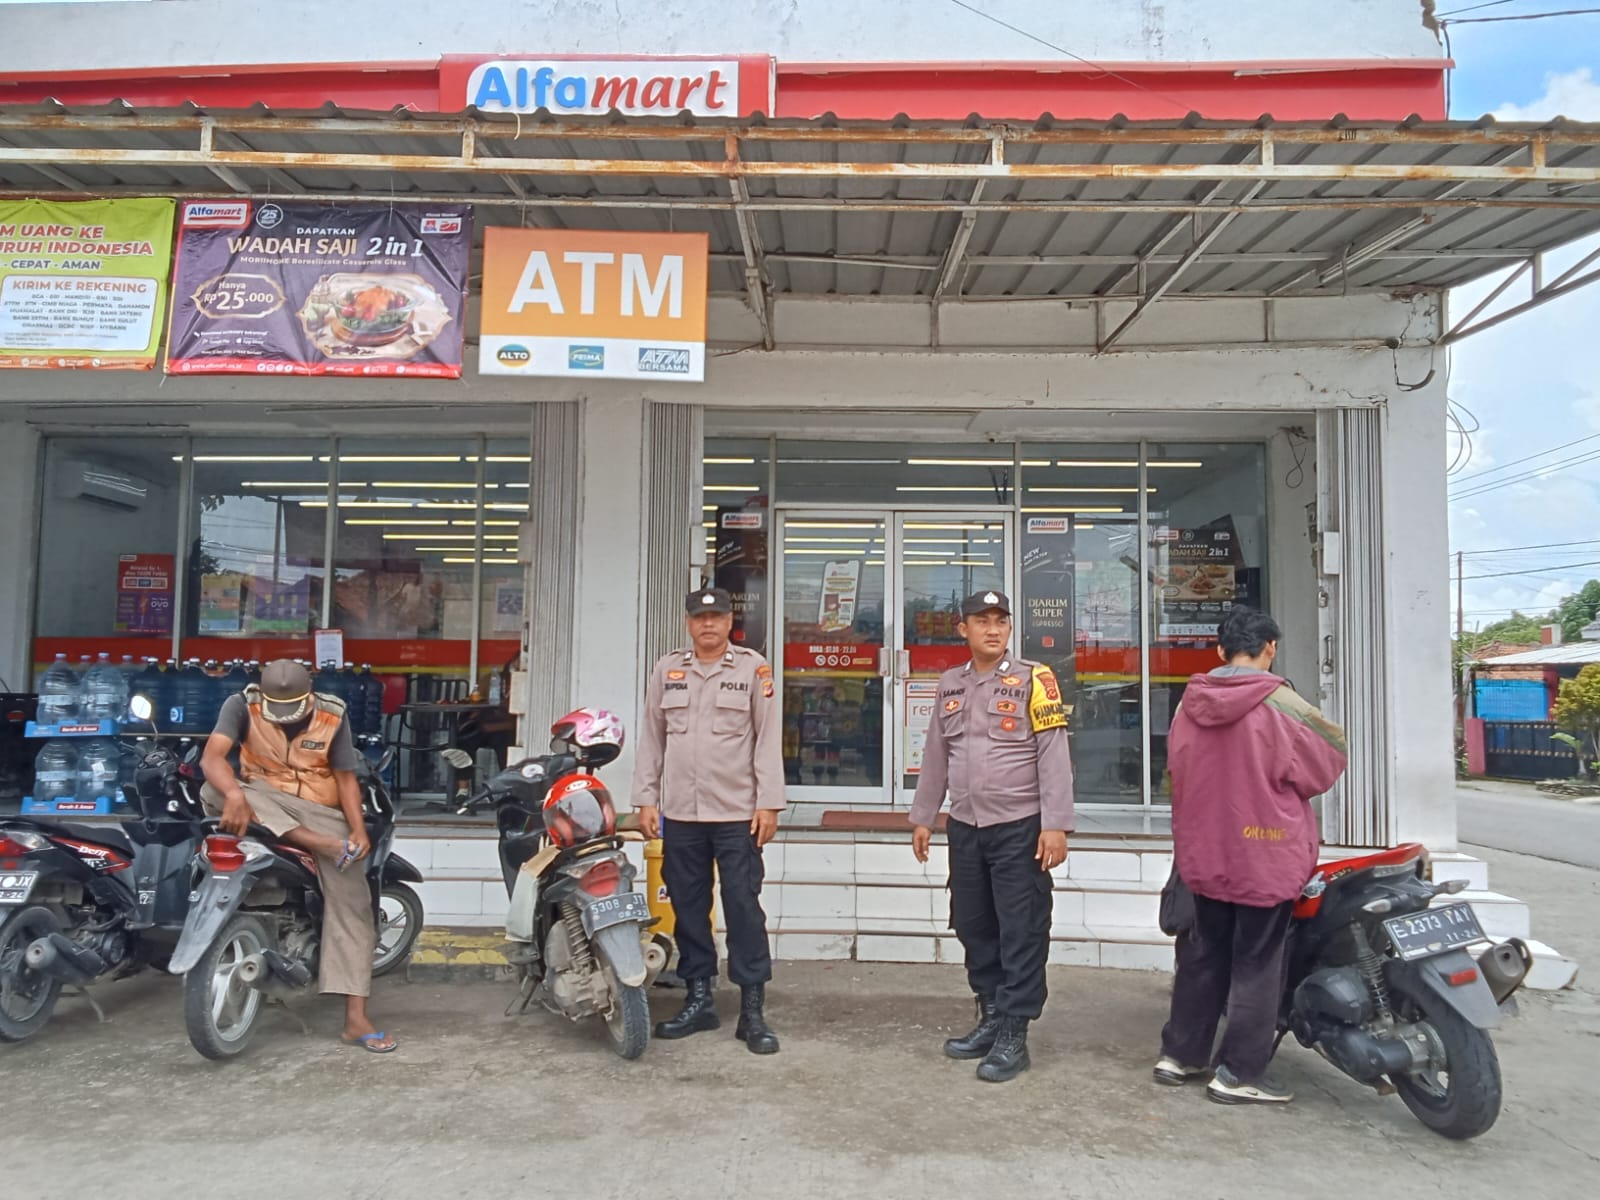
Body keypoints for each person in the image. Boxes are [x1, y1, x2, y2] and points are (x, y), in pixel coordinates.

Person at [1155, 607, 1347, 1104]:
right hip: (1265, 852)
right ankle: (1238, 1073)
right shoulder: (1284, 704)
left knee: (1201, 954)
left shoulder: (1188, 704)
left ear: (1220, 650)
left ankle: (1180, 1055)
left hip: (1204, 852)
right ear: (1270, 648)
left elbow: (1176, 770)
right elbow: (1326, 766)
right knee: (1258, 964)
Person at [909, 590, 1075, 1082]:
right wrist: (923, 816)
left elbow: (1053, 752)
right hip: (966, 827)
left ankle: (1014, 1033)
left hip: (1019, 827)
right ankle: (990, 1015)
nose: (993, 629)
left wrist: (1055, 824)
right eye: (982, 621)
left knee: (1021, 929)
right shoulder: (950, 683)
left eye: (1000, 621)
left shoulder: (1035, 679)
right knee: (972, 923)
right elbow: (936, 754)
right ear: (964, 629)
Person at [199, 658, 394, 1054]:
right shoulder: (241, 705)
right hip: (262, 801)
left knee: (353, 906)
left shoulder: (332, 713)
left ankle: (355, 1018)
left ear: (310, 694)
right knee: (211, 790)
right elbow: (212, 758)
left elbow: (345, 778)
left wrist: (357, 829)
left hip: (320, 812)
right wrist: (234, 793)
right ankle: (316, 842)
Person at [632, 586, 787, 1055]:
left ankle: (752, 1009)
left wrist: (769, 803)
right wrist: (645, 799)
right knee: (688, 908)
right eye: (700, 618)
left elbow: (767, 738)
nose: (708, 625)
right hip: (681, 813)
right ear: (688, 623)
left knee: (743, 907)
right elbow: (652, 737)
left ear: (729, 622)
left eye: (717, 617)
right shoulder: (668, 670)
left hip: (737, 814)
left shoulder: (752, 668)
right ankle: (699, 999)